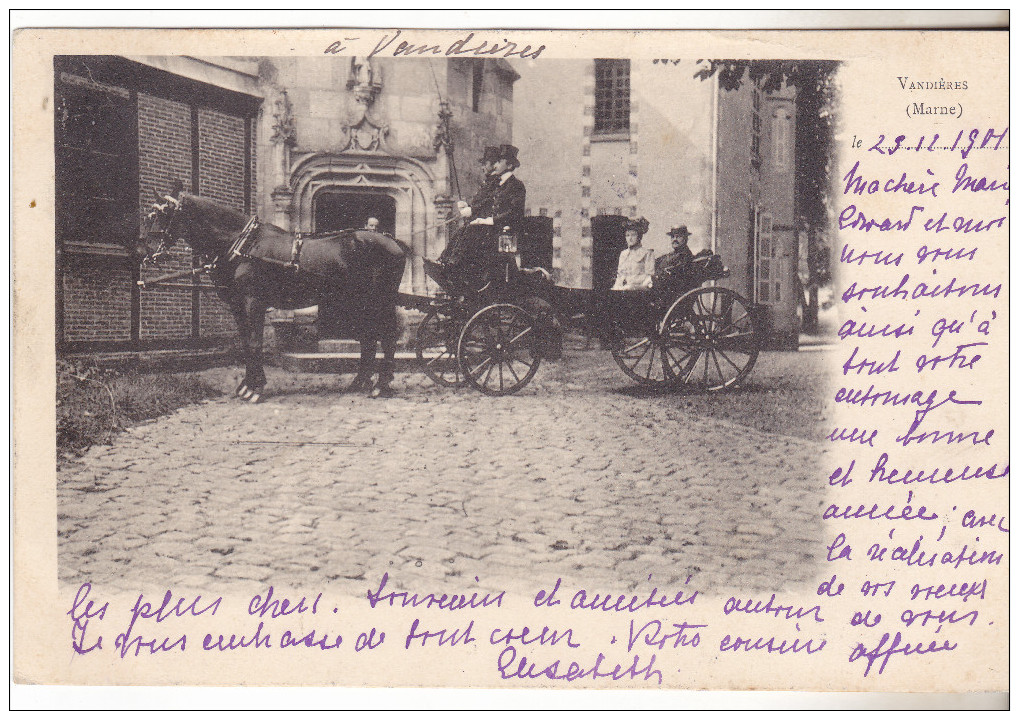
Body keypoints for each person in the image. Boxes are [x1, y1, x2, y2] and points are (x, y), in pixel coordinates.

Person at [429, 144, 526, 290]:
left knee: (471, 231)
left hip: (502, 231)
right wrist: (470, 208)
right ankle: (446, 261)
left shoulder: (516, 185)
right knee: (465, 230)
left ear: (510, 165)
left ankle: (455, 266)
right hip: (493, 229)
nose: (496, 165)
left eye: (499, 162)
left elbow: (514, 213)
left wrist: (490, 220)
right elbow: (486, 205)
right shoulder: (499, 184)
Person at [611, 217, 654, 291]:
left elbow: (649, 278)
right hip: (624, 290)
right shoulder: (623, 254)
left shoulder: (647, 253)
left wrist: (634, 288)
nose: (630, 238)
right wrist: (616, 288)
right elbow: (620, 276)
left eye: (633, 235)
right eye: (627, 235)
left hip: (640, 292)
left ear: (639, 236)